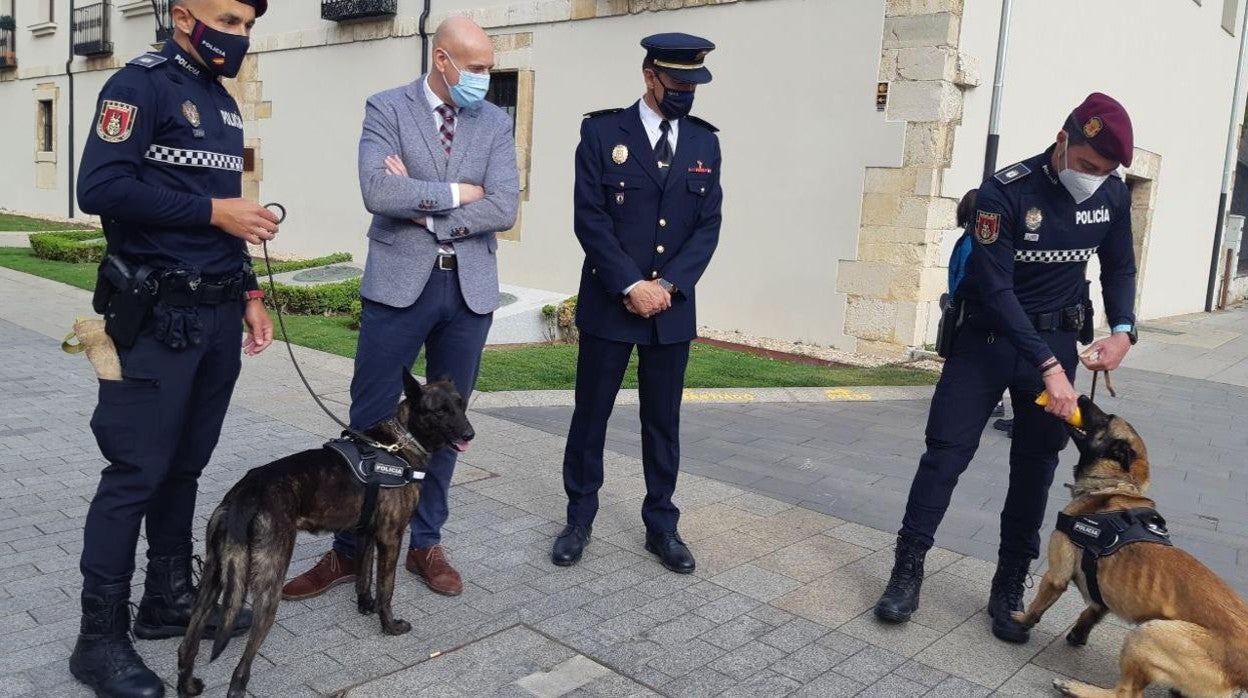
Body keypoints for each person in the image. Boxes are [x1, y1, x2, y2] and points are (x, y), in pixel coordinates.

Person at [874, 93, 1140, 644]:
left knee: (1036, 468)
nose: (1096, 178)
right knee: (944, 456)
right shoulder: (1006, 192)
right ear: (1064, 140)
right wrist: (1048, 365)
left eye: (1107, 171)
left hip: (1056, 343)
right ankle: (907, 569)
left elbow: (1119, 265)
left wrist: (1122, 331)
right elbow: (995, 287)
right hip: (988, 344)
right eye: (1089, 165)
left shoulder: (1112, 194)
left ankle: (1009, 585)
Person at [70, 0, 276, 694]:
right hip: (156, 319)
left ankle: (167, 599)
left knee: (186, 465)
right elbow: (98, 186)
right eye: (230, 19)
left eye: (248, 25)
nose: (240, 35)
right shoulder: (140, 84)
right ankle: (98, 639)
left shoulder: (222, 103)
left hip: (215, 316)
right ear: (186, 15)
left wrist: (249, 292)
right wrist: (212, 211)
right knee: (136, 472)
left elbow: (228, 217)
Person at [282, 16, 519, 601]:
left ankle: (424, 542)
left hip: (468, 292)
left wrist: (427, 208)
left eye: (490, 66)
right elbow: (377, 192)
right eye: (479, 67)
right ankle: (347, 549)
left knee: (444, 427)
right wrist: (462, 193)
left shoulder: (495, 121)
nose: (487, 78)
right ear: (443, 61)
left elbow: (506, 205)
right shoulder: (386, 108)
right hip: (397, 287)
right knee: (368, 419)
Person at [551, 33, 723, 574]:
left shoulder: (705, 143)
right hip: (610, 304)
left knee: (662, 421)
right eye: (677, 82)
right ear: (650, 75)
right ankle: (579, 517)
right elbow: (590, 218)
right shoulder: (602, 133)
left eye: (694, 84)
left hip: (671, 311)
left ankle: (662, 526)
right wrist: (631, 285)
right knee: (591, 416)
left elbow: (707, 226)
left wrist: (669, 286)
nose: (687, 93)